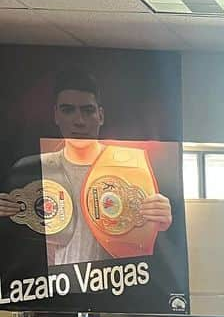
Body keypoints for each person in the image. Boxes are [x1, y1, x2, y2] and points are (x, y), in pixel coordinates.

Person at [0, 68, 172, 265]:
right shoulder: (29, 170)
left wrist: (162, 221)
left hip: (114, 288)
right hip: (54, 290)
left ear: (100, 115)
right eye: (68, 110)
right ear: (56, 115)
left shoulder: (134, 167)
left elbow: (149, 247)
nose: (79, 121)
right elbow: (16, 245)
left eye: (87, 110)